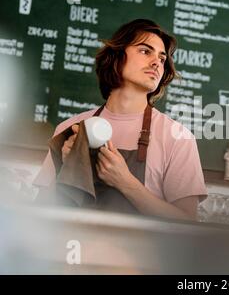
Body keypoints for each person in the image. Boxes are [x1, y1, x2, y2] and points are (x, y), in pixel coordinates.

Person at [32, 19, 207, 221]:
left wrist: (125, 182)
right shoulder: (70, 129)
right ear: (116, 56)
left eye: (161, 58)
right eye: (145, 51)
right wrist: (66, 165)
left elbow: (187, 222)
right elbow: (41, 213)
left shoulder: (178, 138)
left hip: (140, 253)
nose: (156, 62)